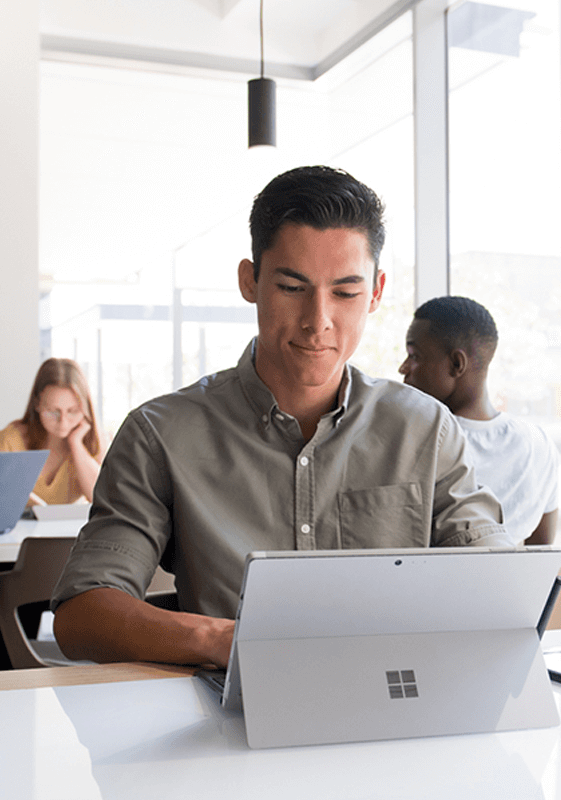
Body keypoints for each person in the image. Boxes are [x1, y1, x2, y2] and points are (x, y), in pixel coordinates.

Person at [51, 165, 510, 667]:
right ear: (251, 281)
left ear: (376, 292)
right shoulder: (160, 434)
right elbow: (82, 615)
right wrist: (222, 641)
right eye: (293, 288)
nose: (319, 321)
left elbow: (499, 577)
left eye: (345, 293)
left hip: (395, 707)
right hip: (229, 723)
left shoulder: (426, 428)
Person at [0, 357, 103, 670]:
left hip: (43, 562)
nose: (63, 421)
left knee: (42, 575)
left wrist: (76, 444)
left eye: (73, 411)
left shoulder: (86, 445)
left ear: (85, 410)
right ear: (36, 404)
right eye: (53, 411)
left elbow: (100, 497)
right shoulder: (12, 439)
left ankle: (27, 679)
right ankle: (17, 679)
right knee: (26, 583)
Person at [399, 295, 561, 545]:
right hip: (512, 582)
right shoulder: (539, 444)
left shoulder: (419, 442)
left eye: (414, 355)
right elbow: (542, 551)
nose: (404, 367)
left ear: (456, 363)